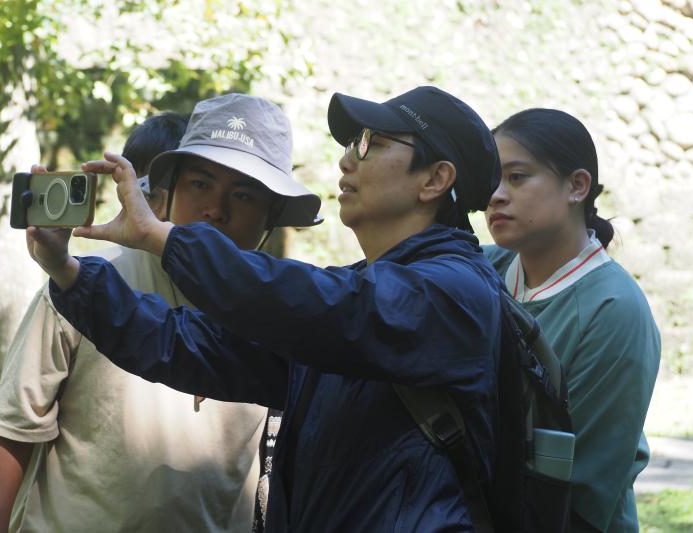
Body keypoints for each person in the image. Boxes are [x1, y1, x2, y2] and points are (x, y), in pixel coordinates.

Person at [29, 86, 504, 531]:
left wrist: (163, 237)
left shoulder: (455, 291)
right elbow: (194, 346)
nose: (346, 158)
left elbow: (318, 305)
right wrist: (68, 272)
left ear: (436, 179)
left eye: (369, 143)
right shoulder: (358, 293)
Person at [0, 98, 320, 533]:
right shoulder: (81, 283)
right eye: (200, 184)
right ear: (166, 193)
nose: (216, 208)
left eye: (245, 194)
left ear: (270, 217)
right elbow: (13, 426)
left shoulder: (276, 313)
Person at [484, 108, 660, 532]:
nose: (496, 195)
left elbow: (581, 496)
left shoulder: (614, 310)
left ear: (577, 186)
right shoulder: (483, 270)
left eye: (518, 176)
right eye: (491, 179)